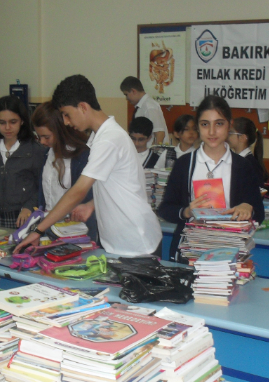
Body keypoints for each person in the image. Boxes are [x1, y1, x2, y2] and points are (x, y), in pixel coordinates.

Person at [15, 74, 161, 257]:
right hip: (118, 242)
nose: (66, 122)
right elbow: (116, 184)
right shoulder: (99, 138)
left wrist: (38, 230)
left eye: (67, 115)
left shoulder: (109, 139)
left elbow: (78, 191)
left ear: (83, 107)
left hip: (137, 242)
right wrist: (92, 204)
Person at [157, 95, 265, 263]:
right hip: (190, 252)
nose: (212, 131)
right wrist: (187, 211)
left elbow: (259, 213)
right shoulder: (184, 164)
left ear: (229, 124)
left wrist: (248, 207)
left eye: (219, 124)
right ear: (198, 127)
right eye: (205, 124)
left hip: (228, 252)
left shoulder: (243, 166)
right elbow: (165, 209)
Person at [0, 96, 46, 229]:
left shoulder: (35, 150)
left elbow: (42, 187)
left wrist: (28, 207)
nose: (7, 127)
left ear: (22, 121)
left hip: (25, 218)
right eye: (2, 122)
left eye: (13, 122)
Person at [31, 101, 98, 241]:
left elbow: (82, 197)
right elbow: (43, 196)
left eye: (46, 137)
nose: (42, 142)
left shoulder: (84, 156)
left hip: (76, 233)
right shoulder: (46, 156)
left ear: (61, 131)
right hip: (49, 230)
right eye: (39, 137)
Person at [119, 76, 167, 146]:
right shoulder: (142, 107)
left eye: (126, 94)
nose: (126, 98)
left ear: (133, 91)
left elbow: (159, 133)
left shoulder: (150, 107)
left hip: (151, 153)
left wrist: (153, 154)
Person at [230, 117, 269, 184]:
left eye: (230, 133)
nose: (227, 136)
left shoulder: (249, 164)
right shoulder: (237, 159)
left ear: (242, 138)